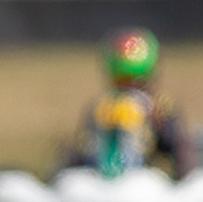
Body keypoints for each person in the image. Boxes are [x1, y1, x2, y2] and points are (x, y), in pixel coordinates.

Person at [67, 26, 193, 179]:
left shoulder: (158, 109)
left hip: (129, 182)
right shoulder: (99, 108)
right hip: (108, 182)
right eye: (124, 81)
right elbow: (80, 150)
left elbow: (177, 148)